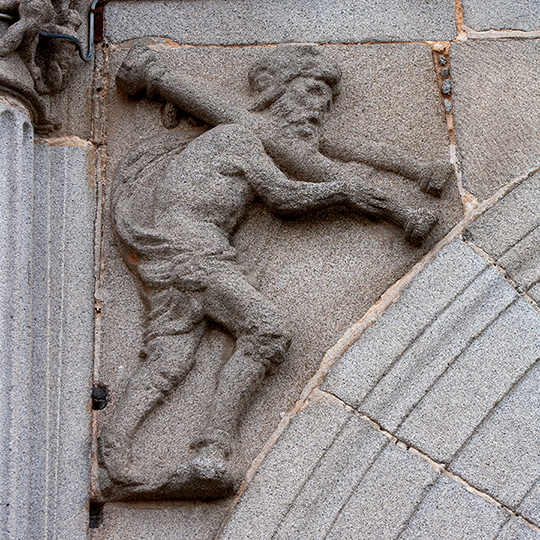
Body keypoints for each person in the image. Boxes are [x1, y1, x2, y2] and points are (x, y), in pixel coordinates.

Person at [100, 44, 442, 496]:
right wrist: (342, 192)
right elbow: (285, 197)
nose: (320, 106)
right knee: (267, 332)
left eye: (328, 98)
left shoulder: (246, 138)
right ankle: (212, 449)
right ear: (278, 91)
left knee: (171, 359)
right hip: (193, 253)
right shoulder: (240, 138)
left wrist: (375, 181)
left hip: (176, 254)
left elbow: (326, 154)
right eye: (313, 91)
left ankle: (116, 460)